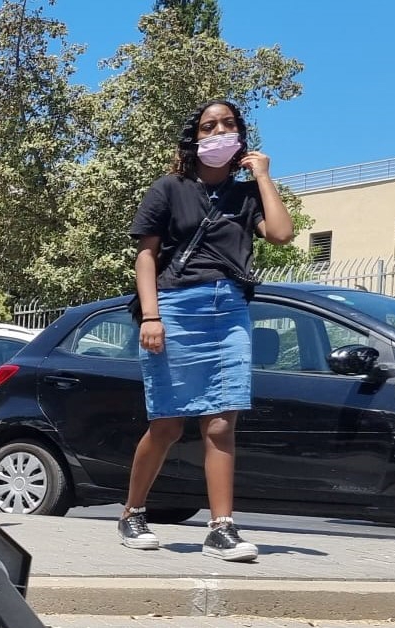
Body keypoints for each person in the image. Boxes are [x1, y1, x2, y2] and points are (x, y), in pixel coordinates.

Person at [121, 100, 294, 561]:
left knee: (221, 420)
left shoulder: (246, 195)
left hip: (229, 309)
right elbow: (146, 256)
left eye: (229, 124)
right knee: (168, 424)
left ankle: (221, 528)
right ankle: (132, 512)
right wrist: (152, 317)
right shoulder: (169, 188)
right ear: (195, 137)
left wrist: (261, 175)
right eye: (209, 126)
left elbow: (280, 233)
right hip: (176, 307)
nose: (220, 131)